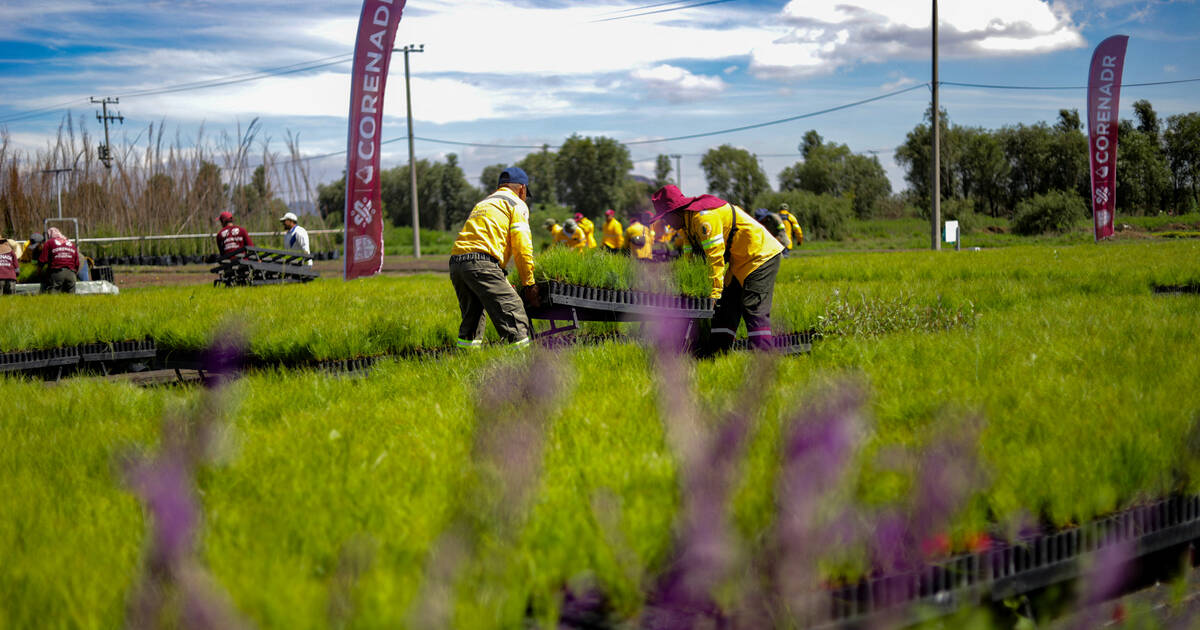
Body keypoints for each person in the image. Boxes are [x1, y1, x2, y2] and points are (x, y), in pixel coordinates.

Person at [649, 185, 783, 354]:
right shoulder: (686, 226)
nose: (666, 224)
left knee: (753, 307)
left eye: (665, 218)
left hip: (760, 255)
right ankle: (717, 357)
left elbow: (715, 257)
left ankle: (764, 358)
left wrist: (713, 293)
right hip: (739, 262)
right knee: (725, 308)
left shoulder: (703, 218)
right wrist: (688, 289)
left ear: (675, 211)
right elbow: (691, 261)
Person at [448, 166, 537, 349]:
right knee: (514, 312)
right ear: (522, 188)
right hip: (481, 263)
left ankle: (466, 360)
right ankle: (524, 367)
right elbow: (522, 247)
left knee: (472, 318)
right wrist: (529, 283)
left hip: (457, 264)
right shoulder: (516, 204)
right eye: (526, 192)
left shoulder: (484, 203)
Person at [38, 227, 80, 294]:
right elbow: (77, 263)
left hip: (57, 273)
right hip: (71, 274)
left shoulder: (49, 243)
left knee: (54, 298)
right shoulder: (71, 244)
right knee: (71, 298)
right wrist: (74, 273)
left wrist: (39, 271)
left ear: (49, 235)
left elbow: (42, 260)